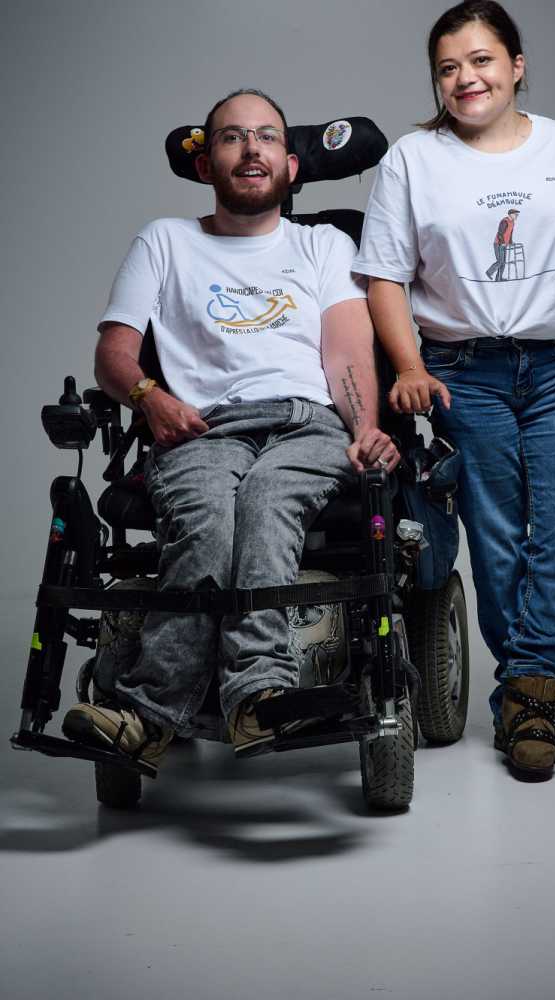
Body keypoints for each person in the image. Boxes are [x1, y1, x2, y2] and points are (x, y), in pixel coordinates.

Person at [352, 1, 555, 780]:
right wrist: (410, 367)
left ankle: (529, 696)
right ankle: (525, 691)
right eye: (448, 67)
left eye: (482, 60)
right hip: (462, 373)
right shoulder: (412, 161)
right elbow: (384, 278)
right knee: (495, 539)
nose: (466, 78)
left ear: (517, 66)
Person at [62, 88, 400, 774]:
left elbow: (347, 355)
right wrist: (150, 397)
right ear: (204, 164)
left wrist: (365, 428)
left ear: (291, 166)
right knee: (210, 519)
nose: (252, 149)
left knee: (269, 500)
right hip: (202, 428)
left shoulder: (323, 244)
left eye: (267, 137)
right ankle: (153, 714)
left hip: (305, 423)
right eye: (232, 137)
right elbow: (113, 355)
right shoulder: (165, 240)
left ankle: (252, 693)